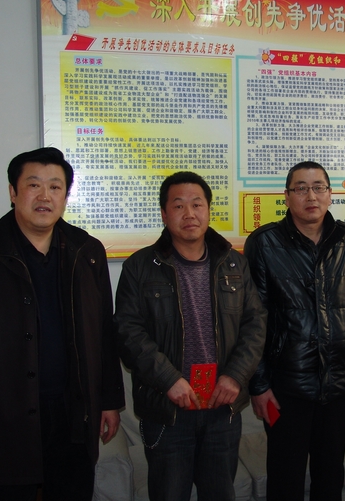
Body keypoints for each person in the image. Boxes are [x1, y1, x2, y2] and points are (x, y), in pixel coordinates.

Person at [0, 147, 125, 501]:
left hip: (73, 414)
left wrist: (110, 400)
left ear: (65, 195)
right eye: (33, 185)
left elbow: (103, 333)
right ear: (13, 192)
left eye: (55, 187)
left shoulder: (87, 251)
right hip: (2, 416)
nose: (44, 196)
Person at [114, 171, 266, 501]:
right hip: (168, 410)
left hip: (221, 407)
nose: (189, 213)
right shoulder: (139, 267)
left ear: (209, 210)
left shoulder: (234, 264)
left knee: (220, 494)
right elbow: (128, 332)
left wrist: (235, 376)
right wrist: (169, 380)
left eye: (197, 204)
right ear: (164, 214)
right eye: (179, 205)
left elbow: (255, 324)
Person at [244, 161, 345, 501]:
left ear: (330, 194)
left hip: (338, 382)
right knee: (285, 476)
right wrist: (259, 385)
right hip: (283, 386)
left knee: (330, 474)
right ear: (287, 196)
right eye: (301, 188)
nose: (311, 196)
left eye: (319, 187)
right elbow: (252, 320)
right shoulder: (264, 242)